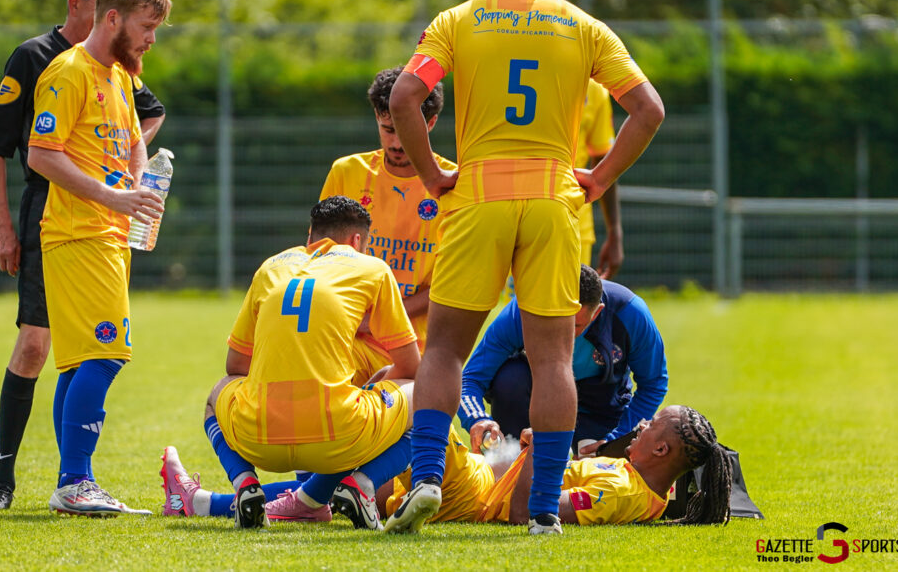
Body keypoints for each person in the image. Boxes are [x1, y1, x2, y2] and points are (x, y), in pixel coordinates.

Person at [384, 0, 665, 535]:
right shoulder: (584, 27)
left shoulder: (457, 21)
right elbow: (648, 110)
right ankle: (542, 511)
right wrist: (601, 176)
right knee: (553, 361)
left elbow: (405, 95)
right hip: (551, 203)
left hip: (480, 195)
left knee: (447, 349)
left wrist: (432, 175)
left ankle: (428, 476)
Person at [0, 0, 167, 511]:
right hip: (76, 232)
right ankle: (74, 482)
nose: (151, 40)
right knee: (106, 354)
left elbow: (133, 139)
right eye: (147, 28)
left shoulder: (120, 76)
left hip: (107, 231)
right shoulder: (65, 71)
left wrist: (136, 190)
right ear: (112, 18)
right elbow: (40, 153)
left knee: (82, 358)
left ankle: (71, 482)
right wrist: (113, 198)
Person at [202, 196, 421, 529]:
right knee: (427, 392)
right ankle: (362, 484)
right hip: (339, 438)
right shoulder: (373, 269)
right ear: (357, 241)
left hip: (258, 439)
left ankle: (245, 483)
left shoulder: (270, 267)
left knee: (216, 393)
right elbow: (412, 366)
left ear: (310, 236)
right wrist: (377, 386)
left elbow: (235, 366)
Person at [382, 405, 731, 527]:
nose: (641, 424)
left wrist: (542, 444)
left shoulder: (623, 494)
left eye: (651, 423)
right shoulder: (636, 480)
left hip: (472, 494)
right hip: (478, 472)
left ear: (660, 449)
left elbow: (528, 512)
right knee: (397, 403)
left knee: (421, 398)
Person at [459, 265, 667, 456]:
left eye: (575, 326)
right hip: (538, 405)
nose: (563, 333)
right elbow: (471, 378)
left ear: (597, 312)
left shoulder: (630, 313)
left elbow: (653, 384)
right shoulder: (524, 310)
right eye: (557, 320)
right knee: (510, 379)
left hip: (601, 410)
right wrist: (478, 419)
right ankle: (509, 464)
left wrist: (614, 440)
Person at [320, 66, 452, 359]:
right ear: (377, 120)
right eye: (388, 130)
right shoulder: (347, 172)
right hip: (349, 336)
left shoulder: (455, 184)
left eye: (406, 131)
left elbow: (451, 282)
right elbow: (320, 255)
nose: (396, 143)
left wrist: (382, 320)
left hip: (415, 347)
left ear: (430, 123)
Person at [579, 81, 623, 278]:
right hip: (517, 212)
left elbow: (602, 159)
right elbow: (648, 110)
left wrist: (614, 231)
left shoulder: (594, 89)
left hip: (574, 219)